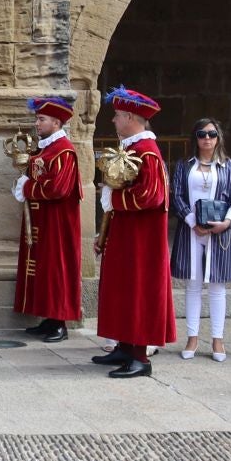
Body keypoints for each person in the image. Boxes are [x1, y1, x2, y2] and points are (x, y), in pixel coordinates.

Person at [91, 87, 172, 379]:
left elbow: (151, 195)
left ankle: (139, 357)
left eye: (116, 116)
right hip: (126, 235)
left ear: (129, 117)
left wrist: (114, 198)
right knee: (123, 290)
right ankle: (124, 347)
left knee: (137, 291)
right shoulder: (134, 149)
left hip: (141, 240)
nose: (113, 120)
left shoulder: (146, 152)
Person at [169, 117, 231, 363]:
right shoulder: (184, 165)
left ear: (218, 137)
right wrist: (192, 221)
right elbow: (177, 196)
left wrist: (226, 223)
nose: (207, 139)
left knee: (216, 287)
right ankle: (192, 336)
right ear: (196, 138)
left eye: (212, 134)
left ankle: (217, 338)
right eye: (202, 134)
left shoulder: (229, 166)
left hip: (220, 233)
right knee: (192, 285)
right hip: (191, 230)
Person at [13, 95, 82, 344]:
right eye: (37, 118)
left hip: (57, 222)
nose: (37, 123)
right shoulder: (46, 148)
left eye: (41, 119)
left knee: (56, 269)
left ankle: (60, 322)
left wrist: (28, 187)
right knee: (43, 269)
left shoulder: (64, 151)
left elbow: (59, 189)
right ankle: (49, 318)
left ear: (56, 122)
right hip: (43, 219)